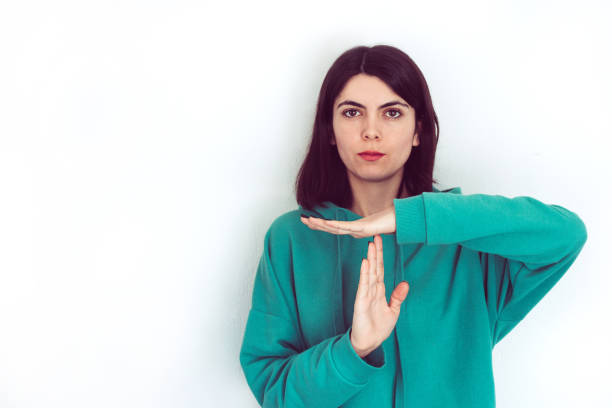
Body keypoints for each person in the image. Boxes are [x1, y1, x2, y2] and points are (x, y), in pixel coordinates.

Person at [238, 44, 588, 407]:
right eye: (352, 112)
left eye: (391, 112)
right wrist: (354, 349)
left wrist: (416, 217)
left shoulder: (468, 243)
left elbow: (566, 234)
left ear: (418, 130)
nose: (370, 131)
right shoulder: (291, 238)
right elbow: (274, 392)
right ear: (330, 130)